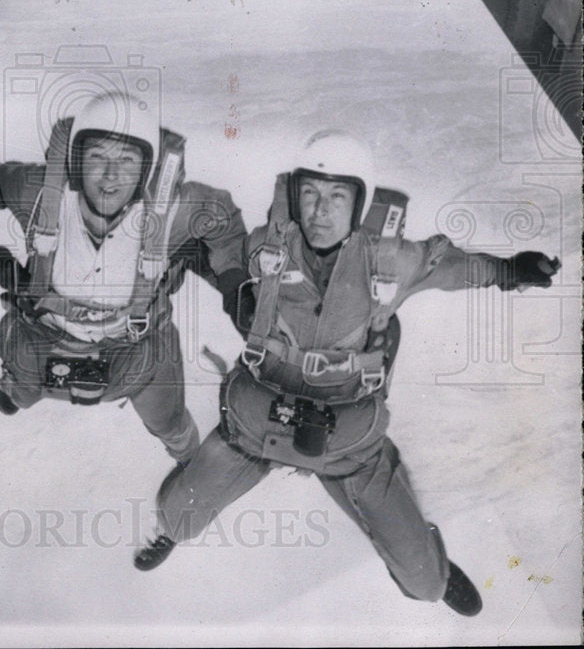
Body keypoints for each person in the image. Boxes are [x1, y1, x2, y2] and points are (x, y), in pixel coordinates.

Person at [133, 130, 560, 617]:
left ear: (358, 205)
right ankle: (170, 527)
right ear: (294, 196)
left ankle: (431, 567)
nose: (321, 211)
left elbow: (449, 267)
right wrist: (225, 281)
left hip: (347, 444)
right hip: (256, 424)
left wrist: (508, 272)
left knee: (423, 583)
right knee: (178, 517)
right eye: (310, 194)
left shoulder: (389, 261)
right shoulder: (266, 249)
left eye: (338, 196)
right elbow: (217, 249)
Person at [0, 91, 248, 468]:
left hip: (136, 346)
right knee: (22, 378)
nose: (111, 176)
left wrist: (235, 282)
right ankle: (17, 390)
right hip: (43, 335)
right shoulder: (44, 193)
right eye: (97, 157)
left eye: (127, 160)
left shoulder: (170, 209)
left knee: (170, 421)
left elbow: (222, 216)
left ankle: (188, 461)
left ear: (146, 170)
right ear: (75, 163)